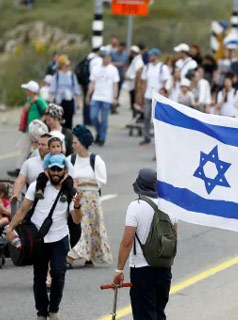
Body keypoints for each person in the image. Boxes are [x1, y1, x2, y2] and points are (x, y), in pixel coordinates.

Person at [7, 154, 83, 320]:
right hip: (38, 238)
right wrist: (10, 228)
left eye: (59, 169)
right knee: (39, 277)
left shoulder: (70, 192)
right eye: (52, 169)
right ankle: (41, 313)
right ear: (47, 170)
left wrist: (77, 205)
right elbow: (23, 210)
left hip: (59, 237)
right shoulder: (37, 186)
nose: (55, 172)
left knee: (58, 273)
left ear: (65, 171)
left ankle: (53, 310)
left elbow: (76, 219)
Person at [112, 168, 178, 320]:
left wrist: (119, 270)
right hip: (164, 267)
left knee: (144, 314)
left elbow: (127, 242)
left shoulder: (136, 206)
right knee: (159, 312)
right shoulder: (170, 205)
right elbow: (174, 237)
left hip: (142, 269)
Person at [67, 125, 112, 267]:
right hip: (76, 196)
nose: (73, 145)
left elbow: (101, 181)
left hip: (92, 198)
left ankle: (86, 257)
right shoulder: (71, 159)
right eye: (72, 143)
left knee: (91, 228)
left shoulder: (96, 160)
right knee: (82, 225)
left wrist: (85, 181)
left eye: (76, 142)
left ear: (83, 143)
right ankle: (72, 256)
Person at [10, 80, 48, 177]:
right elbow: (25, 110)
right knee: (24, 148)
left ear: (31, 90)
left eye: (27, 89)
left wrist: (39, 123)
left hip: (37, 130)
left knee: (36, 148)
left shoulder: (40, 101)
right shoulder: (30, 100)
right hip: (29, 129)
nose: (26, 91)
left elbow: (46, 111)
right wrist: (31, 102)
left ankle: (38, 167)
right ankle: (19, 168)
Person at [11, 133, 51, 214]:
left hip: (52, 205)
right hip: (32, 205)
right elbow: (20, 181)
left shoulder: (60, 162)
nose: (39, 147)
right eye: (39, 144)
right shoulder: (29, 163)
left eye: (43, 145)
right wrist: (16, 194)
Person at [87, 50, 120, 146]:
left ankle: (102, 138)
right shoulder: (95, 68)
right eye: (106, 58)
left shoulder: (113, 69)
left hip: (107, 97)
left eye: (109, 58)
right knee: (93, 116)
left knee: (104, 119)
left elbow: (115, 84)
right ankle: (98, 132)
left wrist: (115, 97)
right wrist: (88, 95)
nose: (108, 60)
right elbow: (92, 83)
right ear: (103, 58)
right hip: (96, 96)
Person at [139, 49, 170, 146]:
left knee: (157, 118)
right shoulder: (147, 67)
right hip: (148, 95)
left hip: (158, 96)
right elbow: (144, 82)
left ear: (156, 56)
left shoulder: (162, 68)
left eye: (151, 55)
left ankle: (159, 138)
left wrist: (164, 94)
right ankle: (146, 137)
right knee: (147, 116)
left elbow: (165, 82)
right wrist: (141, 94)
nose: (149, 57)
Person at [50, 55, 81, 130]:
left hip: (69, 101)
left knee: (69, 122)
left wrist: (79, 102)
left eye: (68, 65)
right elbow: (52, 91)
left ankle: (68, 139)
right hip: (59, 102)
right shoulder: (56, 76)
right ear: (61, 66)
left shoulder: (72, 76)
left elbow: (76, 90)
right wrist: (50, 104)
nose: (67, 67)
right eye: (66, 65)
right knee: (59, 122)